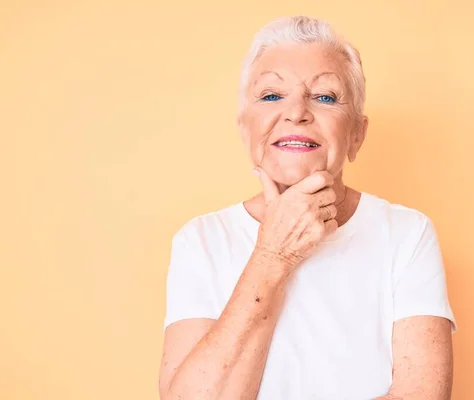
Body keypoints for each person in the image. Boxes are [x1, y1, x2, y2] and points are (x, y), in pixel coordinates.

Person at [158, 15, 456, 400]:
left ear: (356, 134)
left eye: (325, 97)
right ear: (245, 128)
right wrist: (273, 255)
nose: (297, 112)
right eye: (271, 96)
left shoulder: (406, 233)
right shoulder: (200, 240)